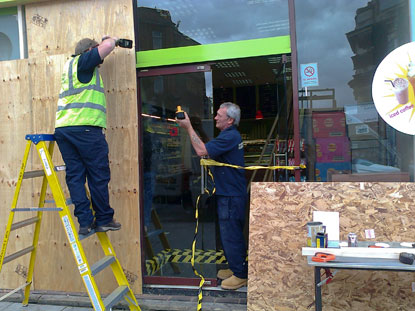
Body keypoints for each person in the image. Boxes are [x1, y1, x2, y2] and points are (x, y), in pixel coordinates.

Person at [176, 102, 248, 290]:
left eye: (219, 115)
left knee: (230, 235)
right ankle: (236, 267)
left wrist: (189, 127)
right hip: (230, 193)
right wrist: (198, 129)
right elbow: (209, 147)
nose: (215, 117)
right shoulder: (228, 136)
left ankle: (240, 275)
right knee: (230, 233)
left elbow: (201, 150)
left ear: (230, 120)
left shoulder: (230, 136)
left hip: (231, 196)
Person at [54, 36, 121, 235]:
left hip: (65, 129)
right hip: (85, 129)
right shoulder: (83, 62)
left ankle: (85, 222)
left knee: (75, 176)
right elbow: (108, 46)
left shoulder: (70, 66)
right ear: (90, 51)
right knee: (98, 175)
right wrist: (111, 40)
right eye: (96, 52)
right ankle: (104, 219)